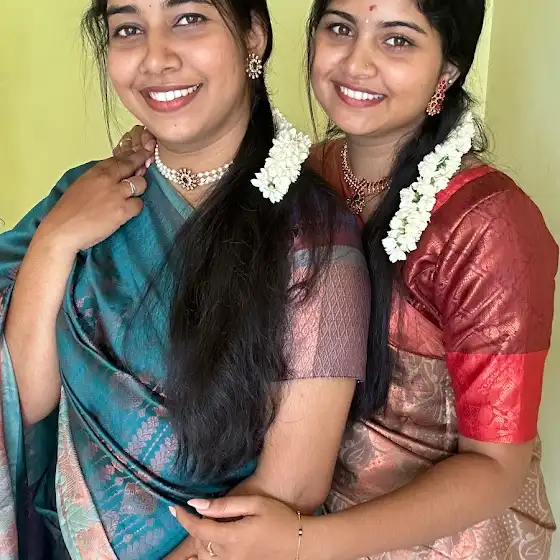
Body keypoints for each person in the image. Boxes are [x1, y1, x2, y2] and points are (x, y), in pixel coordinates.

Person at [123, 0, 558, 558]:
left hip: (442, 541)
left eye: (397, 39)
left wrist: (304, 541)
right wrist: (144, 155)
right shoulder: (309, 176)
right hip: (300, 508)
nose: (357, 62)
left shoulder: (488, 225)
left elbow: (497, 469)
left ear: (447, 70)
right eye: (340, 28)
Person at [0, 0, 371, 558]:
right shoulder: (83, 198)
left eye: (188, 19)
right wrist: (55, 242)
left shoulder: (316, 239)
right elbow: (22, 402)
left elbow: (290, 489)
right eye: (128, 28)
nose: (155, 58)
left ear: (253, 35)